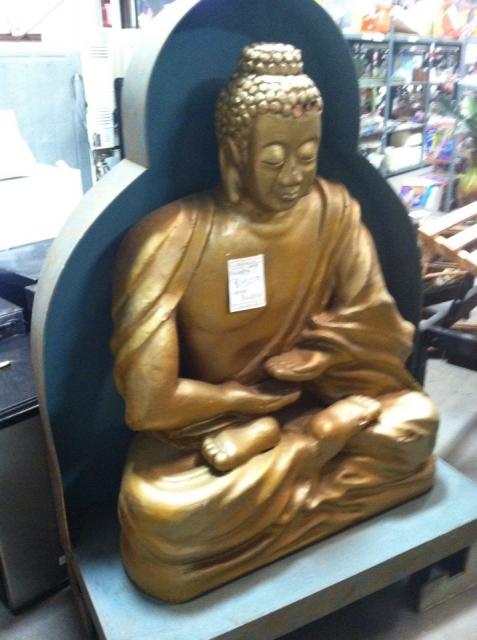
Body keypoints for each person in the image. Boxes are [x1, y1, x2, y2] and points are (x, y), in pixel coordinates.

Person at [111, 43, 438, 603]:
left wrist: (326, 357)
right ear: (234, 153)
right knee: (164, 511)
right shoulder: (170, 238)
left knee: (415, 423)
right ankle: (313, 448)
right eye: (272, 159)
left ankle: (306, 446)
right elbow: (148, 403)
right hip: (208, 432)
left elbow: (383, 330)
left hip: (313, 401)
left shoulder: (334, 210)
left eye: (307, 155)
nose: (293, 175)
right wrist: (240, 401)